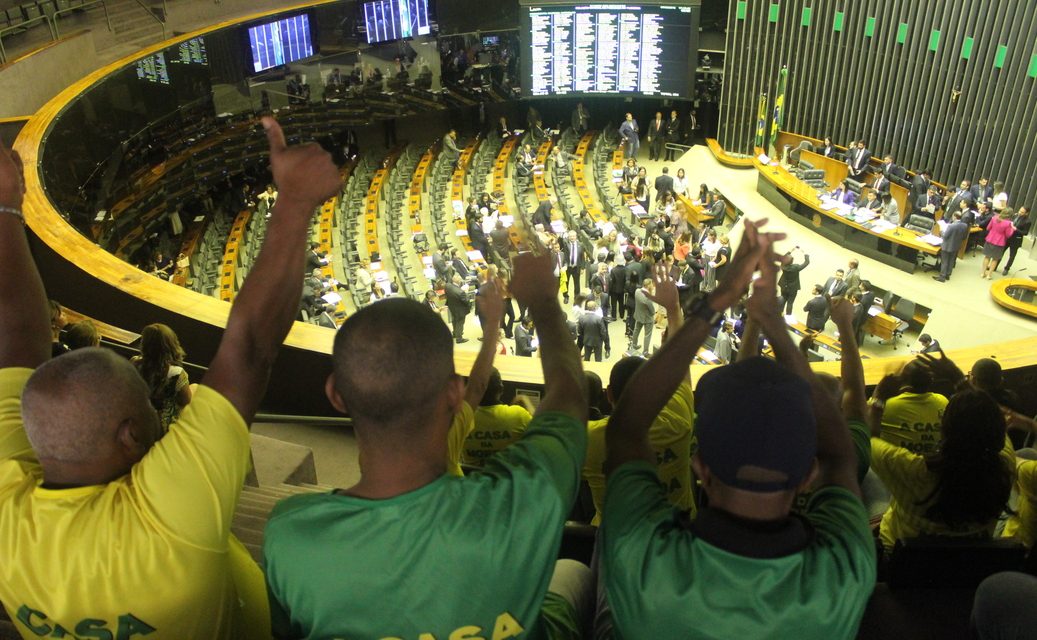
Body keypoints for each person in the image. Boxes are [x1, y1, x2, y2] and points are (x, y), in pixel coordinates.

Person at [0, 119, 341, 637]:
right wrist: (294, 204)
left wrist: (5, 209)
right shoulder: (168, 513)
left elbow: (15, 344)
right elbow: (248, 350)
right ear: (132, 435)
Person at [263, 249, 594, 639]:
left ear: (336, 395)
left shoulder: (289, 534)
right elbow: (571, 395)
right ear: (454, 394)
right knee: (576, 570)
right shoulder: (517, 501)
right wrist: (541, 301)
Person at [600, 219, 876, 638]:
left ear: (700, 466)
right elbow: (841, 455)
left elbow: (624, 428)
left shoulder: (642, 561)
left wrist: (723, 297)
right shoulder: (845, 574)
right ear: (807, 476)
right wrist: (775, 326)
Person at [583, 279, 694, 526]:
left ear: (609, 394)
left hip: (613, 544)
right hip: (678, 535)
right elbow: (681, 362)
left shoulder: (590, 439)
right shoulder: (678, 416)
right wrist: (674, 310)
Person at [869, 371, 1014, 552]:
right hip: (973, 565)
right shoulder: (1006, 465)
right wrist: (962, 383)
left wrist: (878, 398)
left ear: (944, 429)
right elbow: (991, 421)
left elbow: (868, 440)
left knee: (870, 479)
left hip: (903, 566)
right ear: (999, 430)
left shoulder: (912, 469)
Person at [874, 360, 949, 456]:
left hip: (898, 466)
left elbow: (864, 420)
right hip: (935, 466)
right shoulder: (943, 401)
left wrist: (879, 391)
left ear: (903, 381)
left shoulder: (889, 405)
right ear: (931, 381)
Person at [461, 367, 532, 467]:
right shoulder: (519, 415)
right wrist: (526, 404)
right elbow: (539, 437)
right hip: (507, 480)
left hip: (473, 479)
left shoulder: (461, 419)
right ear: (501, 389)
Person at [131, 323, 192, 432]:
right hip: (162, 431)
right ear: (171, 345)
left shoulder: (134, 363)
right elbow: (186, 402)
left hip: (137, 421)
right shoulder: (177, 374)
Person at [933, 212, 969, 282]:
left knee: (945, 261)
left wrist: (941, 231)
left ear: (954, 217)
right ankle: (947, 275)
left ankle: (942, 276)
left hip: (947, 245)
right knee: (951, 260)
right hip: (956, 246)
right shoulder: (965, 225)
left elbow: (945, 236)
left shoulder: (951, 226)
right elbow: (964, 237)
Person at [982, 207, 1016, 279]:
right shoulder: (1008, 223)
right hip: (999, 242)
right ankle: (989, 275)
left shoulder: (994, 218)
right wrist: (1012, 228)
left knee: (987, 257)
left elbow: (988, 228)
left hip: (990, 239)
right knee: (995, 259)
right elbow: (1008, 234)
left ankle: (983, 273)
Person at [778, 246, 810, 315]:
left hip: (783, 286)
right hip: (793, 288)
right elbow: (807, 262)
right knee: (790, 302)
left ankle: (779, 313)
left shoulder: (783, 266)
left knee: (782, 300)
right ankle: (788, 316)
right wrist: (805, 253)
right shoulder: (796, 267)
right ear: (792, 261)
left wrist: (791, 250)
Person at [629, 278, 655, 357]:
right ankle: (645, 352)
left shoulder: (637, 291)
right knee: (647, 335)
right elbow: (652, 310)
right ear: (648, 286)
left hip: (638, 315)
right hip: (647, 318)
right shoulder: (648, 297)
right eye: (652, 285)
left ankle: (634, 345)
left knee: (636, 330)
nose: (653, 286)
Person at [1003, 206, 1031, 275]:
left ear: (1026, 213)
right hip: (1008, 237)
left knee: (1012, 255)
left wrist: (1016, 229)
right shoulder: (1015, 216)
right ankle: (995, 265)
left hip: (1016, 239)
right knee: (1001, 251)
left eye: (1022, 212)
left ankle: (1007, 268)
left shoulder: (1028, 221)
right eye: (1020, 211)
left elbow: (1025, 232)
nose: (1019, 213)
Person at [444, 274, 470, 343]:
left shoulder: (447, 286)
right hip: (460, 310)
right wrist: (466, 292)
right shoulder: (461, 292)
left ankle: (455, 334)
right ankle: (459, 338)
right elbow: (466, 301)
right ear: (459, 282)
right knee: (460, 323)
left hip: (452, 307)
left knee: (454, 321)